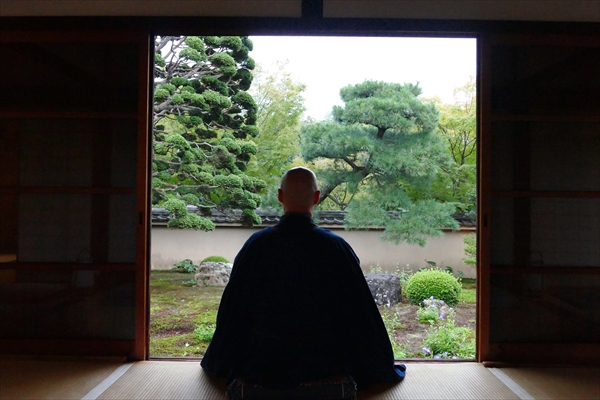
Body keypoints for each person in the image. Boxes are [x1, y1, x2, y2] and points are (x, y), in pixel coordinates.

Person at [201, 167, 405, 390]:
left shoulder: (256, 245)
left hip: (264, 363)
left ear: (280, 196)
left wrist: (220, 359)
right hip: (323, 362)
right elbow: (361, 315)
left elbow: (232, 311)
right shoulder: (336, 248)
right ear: (317, 198)